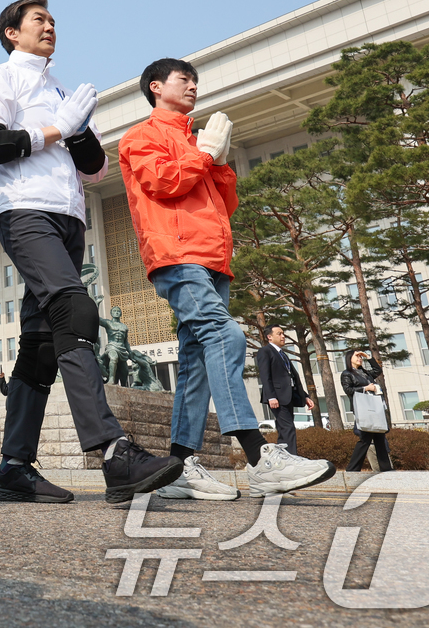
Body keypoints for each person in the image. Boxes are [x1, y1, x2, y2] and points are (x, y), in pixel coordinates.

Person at [0, 0, 182, 505]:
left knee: (42, 343)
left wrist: (80, 125)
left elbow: (93, 168)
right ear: (11, 33)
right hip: (24, 211)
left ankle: (13, 467)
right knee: (74, 309)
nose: (49, 27)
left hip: (70, 218)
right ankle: (113, 452)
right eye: (38, 20)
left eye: (52, 21)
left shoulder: (62, 89)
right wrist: (57, 128)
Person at [119, 58, 335, 500]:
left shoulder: (195, 139)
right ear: (156, 87)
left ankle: (177, 467)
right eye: (184, 80)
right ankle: (259, 458)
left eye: (196, 81)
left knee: (197, 360)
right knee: (226, 338)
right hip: (177, 255)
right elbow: (162, 183)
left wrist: (215, 158)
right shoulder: (141, 136)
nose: (194, 86)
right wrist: (201, 155)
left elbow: (226, 202)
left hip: (213, 258)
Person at [257, 324, 313, 455]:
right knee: (288, 428)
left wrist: (305, 396)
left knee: (284, 429)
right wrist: (271, 397)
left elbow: (292, 377)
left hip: (288, 397)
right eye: (279, 334)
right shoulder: (265, 351)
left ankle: (283, 456)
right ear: (269, 337)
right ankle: (292, 458)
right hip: (277, 397)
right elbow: (265, 376)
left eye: (283, 333)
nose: (283, 336)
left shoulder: (282, 354)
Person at [342, 351, 393, 472]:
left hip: (374, 408)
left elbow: (377, 370)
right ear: (350, 359)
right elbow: (348, 390)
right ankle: (352, 469)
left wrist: (369, 357)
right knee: (365, 440)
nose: (360, 358)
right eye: (357, 356)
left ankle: (386, 469)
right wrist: (366, 388)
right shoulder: (347, 374)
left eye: (360, 357)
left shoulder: (365, 373)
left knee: (379, 437)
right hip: (363, 408)